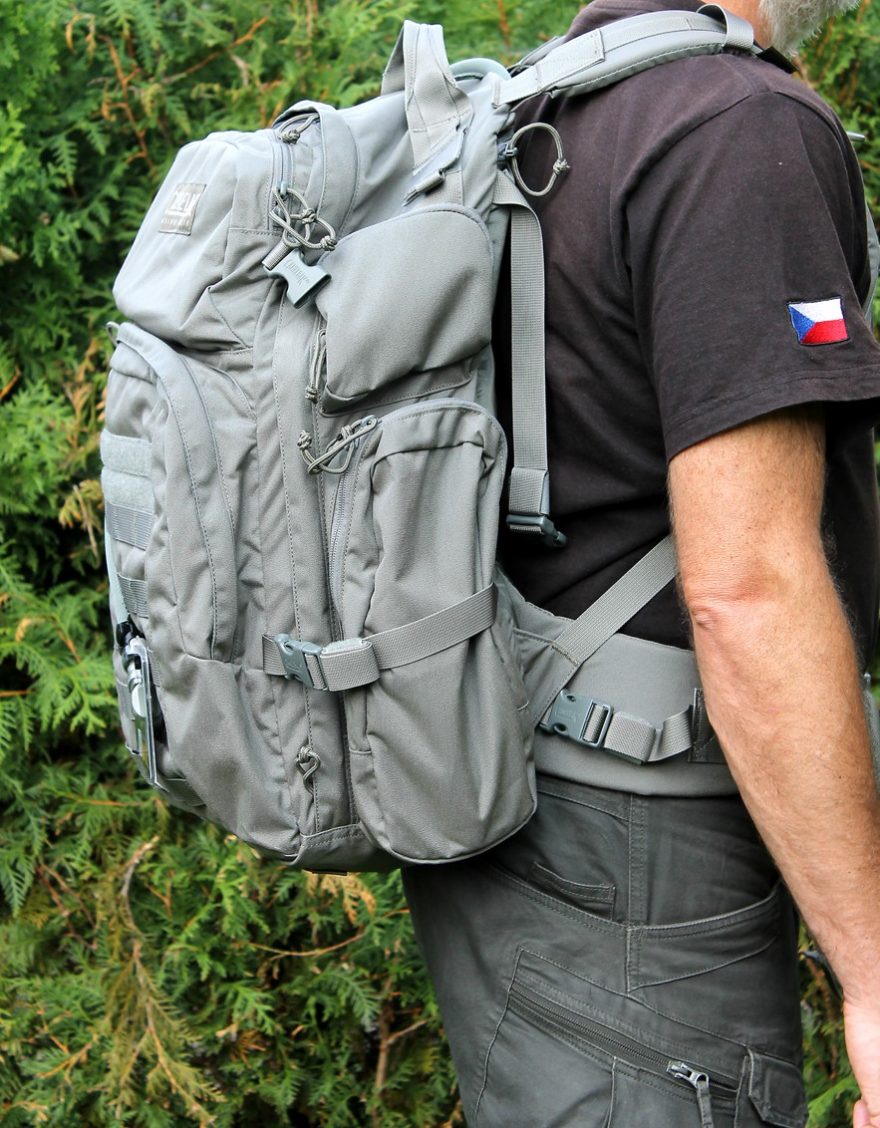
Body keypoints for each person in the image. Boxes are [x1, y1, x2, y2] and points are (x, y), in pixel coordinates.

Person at [401, 0, 880, 1124]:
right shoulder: (734, 125)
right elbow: (747, 593)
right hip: (644, 850)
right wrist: (872, 975)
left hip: (513, 788)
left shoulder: (533, 109)